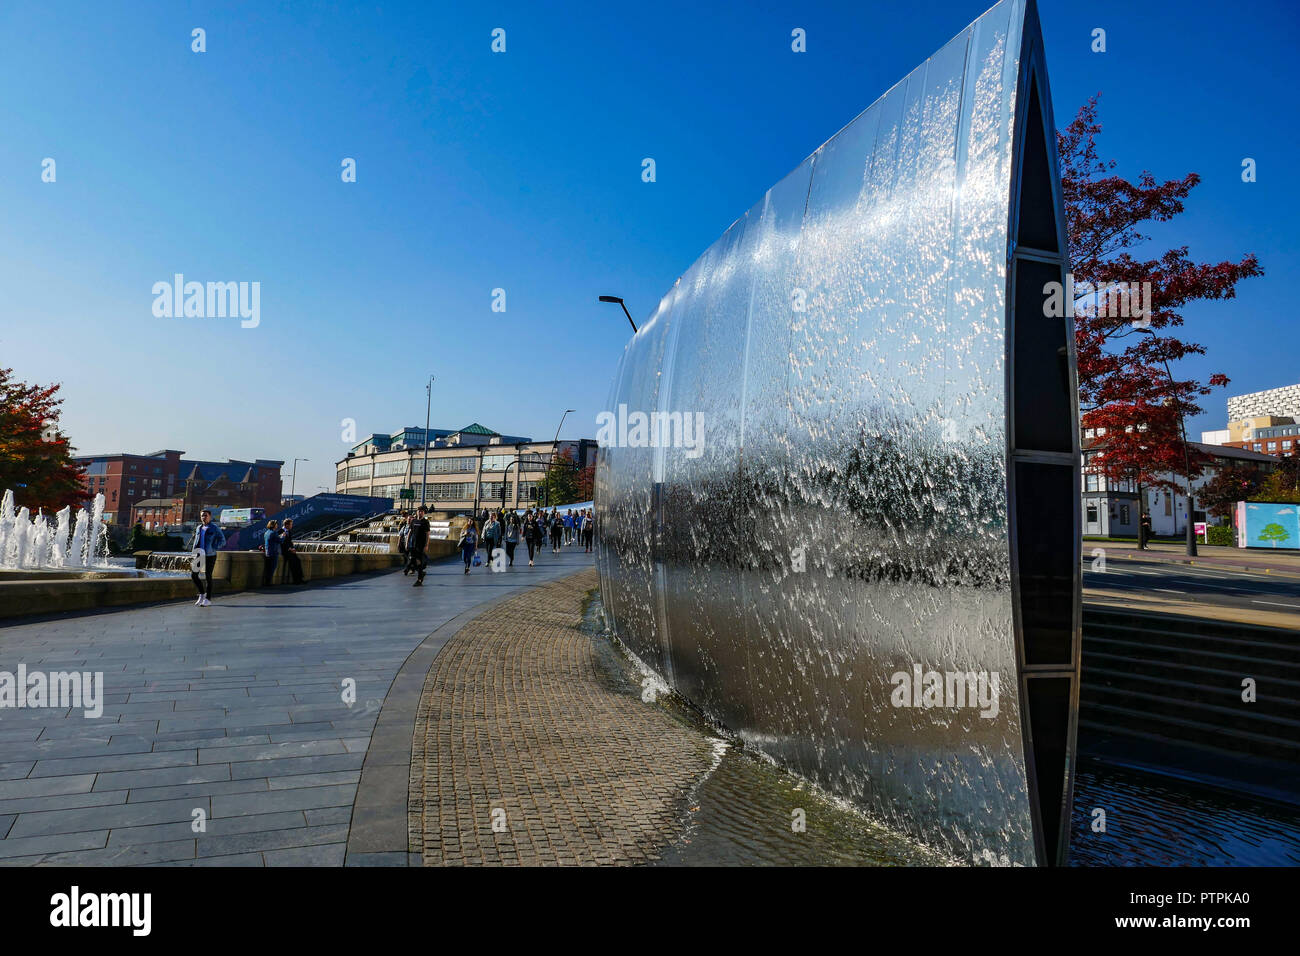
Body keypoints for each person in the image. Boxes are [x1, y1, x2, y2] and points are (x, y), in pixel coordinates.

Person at [190, 508, 226, 607]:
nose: (203, 517)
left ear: (210, 516)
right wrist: (193, 552)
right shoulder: (198, 528)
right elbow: (196, 541)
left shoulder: (214, 528)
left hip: (210, 555)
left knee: (208, 577)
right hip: (199, 554)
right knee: (194, 575)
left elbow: (222, 540)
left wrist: (213, 547)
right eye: (202, 515)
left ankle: (208, 599)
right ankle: (202, 594)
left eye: (205, 515)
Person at [409, 507, 431, 585]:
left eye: (422, 511)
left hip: (421, 544)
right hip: (413, 544)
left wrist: (427, 545)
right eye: (419, 511)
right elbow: (410, 531)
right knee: (412, 561)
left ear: (424, 513)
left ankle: (419, 580)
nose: (420, 513)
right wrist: (407, 542)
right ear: (417, 512)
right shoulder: (413, 521)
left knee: (420, 561)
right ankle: (421, 573)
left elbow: (428, 534)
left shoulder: (425, 522)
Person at [280, 518, 304, 584]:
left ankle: (300, 578)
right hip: (284, 552)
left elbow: (290, 542)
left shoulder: (289, 531)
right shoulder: (280, 531)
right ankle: (296, 580)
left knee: (298, 561)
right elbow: (282, 543)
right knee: (293, 563)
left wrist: (293, 549)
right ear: (287, 525)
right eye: (291, 524)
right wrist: (290, 549)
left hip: (290, 551)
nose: (291, 526)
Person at [262, 520, 281, 586]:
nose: (277, 525)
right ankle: (268, 582)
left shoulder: (266, 532)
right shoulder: (274, 533)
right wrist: (283, 536)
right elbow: (280, 541)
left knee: (268, 567)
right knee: (273, 567)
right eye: (276, 524)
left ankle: (267, 581)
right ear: (273, 525)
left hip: (267, 552)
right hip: (273, 552)